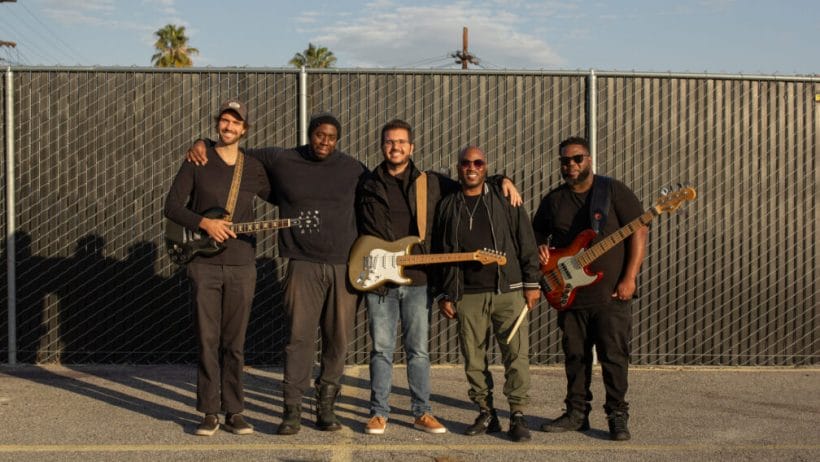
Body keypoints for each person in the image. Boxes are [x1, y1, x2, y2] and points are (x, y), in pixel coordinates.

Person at [187, 113, 367, 435]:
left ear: (337, 139)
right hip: (301, 262)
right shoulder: (283, 159)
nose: (324, 141)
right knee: (298, 339)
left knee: (338, 339)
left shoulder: (353, 169)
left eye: (331, 137)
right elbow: (235, 150)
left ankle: (326, 407)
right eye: (319, 135)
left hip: (344, 265)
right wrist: (203, 143)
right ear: (310, 134)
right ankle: (292, 409)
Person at [356, 120, 522, 435]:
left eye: (401, 142)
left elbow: (469, 180)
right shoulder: (366, 183)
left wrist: (502, 179)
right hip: (379, 281)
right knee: (381, 350)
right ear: (382, 146)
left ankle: (422, 412)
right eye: (390, 141)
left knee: (418, 351)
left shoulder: (430, 183)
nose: (395, 147)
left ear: (411, 147)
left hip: (418, 280)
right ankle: (379, 413)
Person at [165, 99, 270, 436]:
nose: (228, 126)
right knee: (207, 340)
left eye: (235, 122)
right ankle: (209, 412)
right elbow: (171, 207)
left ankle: (234, 411)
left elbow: (282, 194)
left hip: (242, 264)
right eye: (224, 120)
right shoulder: (198, 159)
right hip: (204, 265)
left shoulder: (253, 167)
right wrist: (205, 224)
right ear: (217, 124)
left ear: (244, 129)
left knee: (234, 343)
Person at [532, 136, 647, 441]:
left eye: (577, 159)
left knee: (614, 357)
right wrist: (541, 248)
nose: (570, 165)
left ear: (589, 159)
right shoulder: (553, 200)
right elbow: (536, 234)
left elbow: (639, 231)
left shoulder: (612, 191)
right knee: (575, 357)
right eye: (565, 161)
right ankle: (576, 413)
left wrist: (630, 277)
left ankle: (617, 416)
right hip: (569, 293)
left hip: (610, 295)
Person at [434, 146, 542, 443]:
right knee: (473, 358)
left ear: (486, 166)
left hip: (508, 291)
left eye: (478, 163)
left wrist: (532, 283)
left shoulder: (504, 198)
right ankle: (486, 412)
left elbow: (525, 240)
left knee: (516, 355)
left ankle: (517, 415)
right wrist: (444, 293)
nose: (472, 167)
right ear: (458, 167)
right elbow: (441, 251)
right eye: (466, 163)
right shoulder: (448, 205)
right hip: (466, 295)